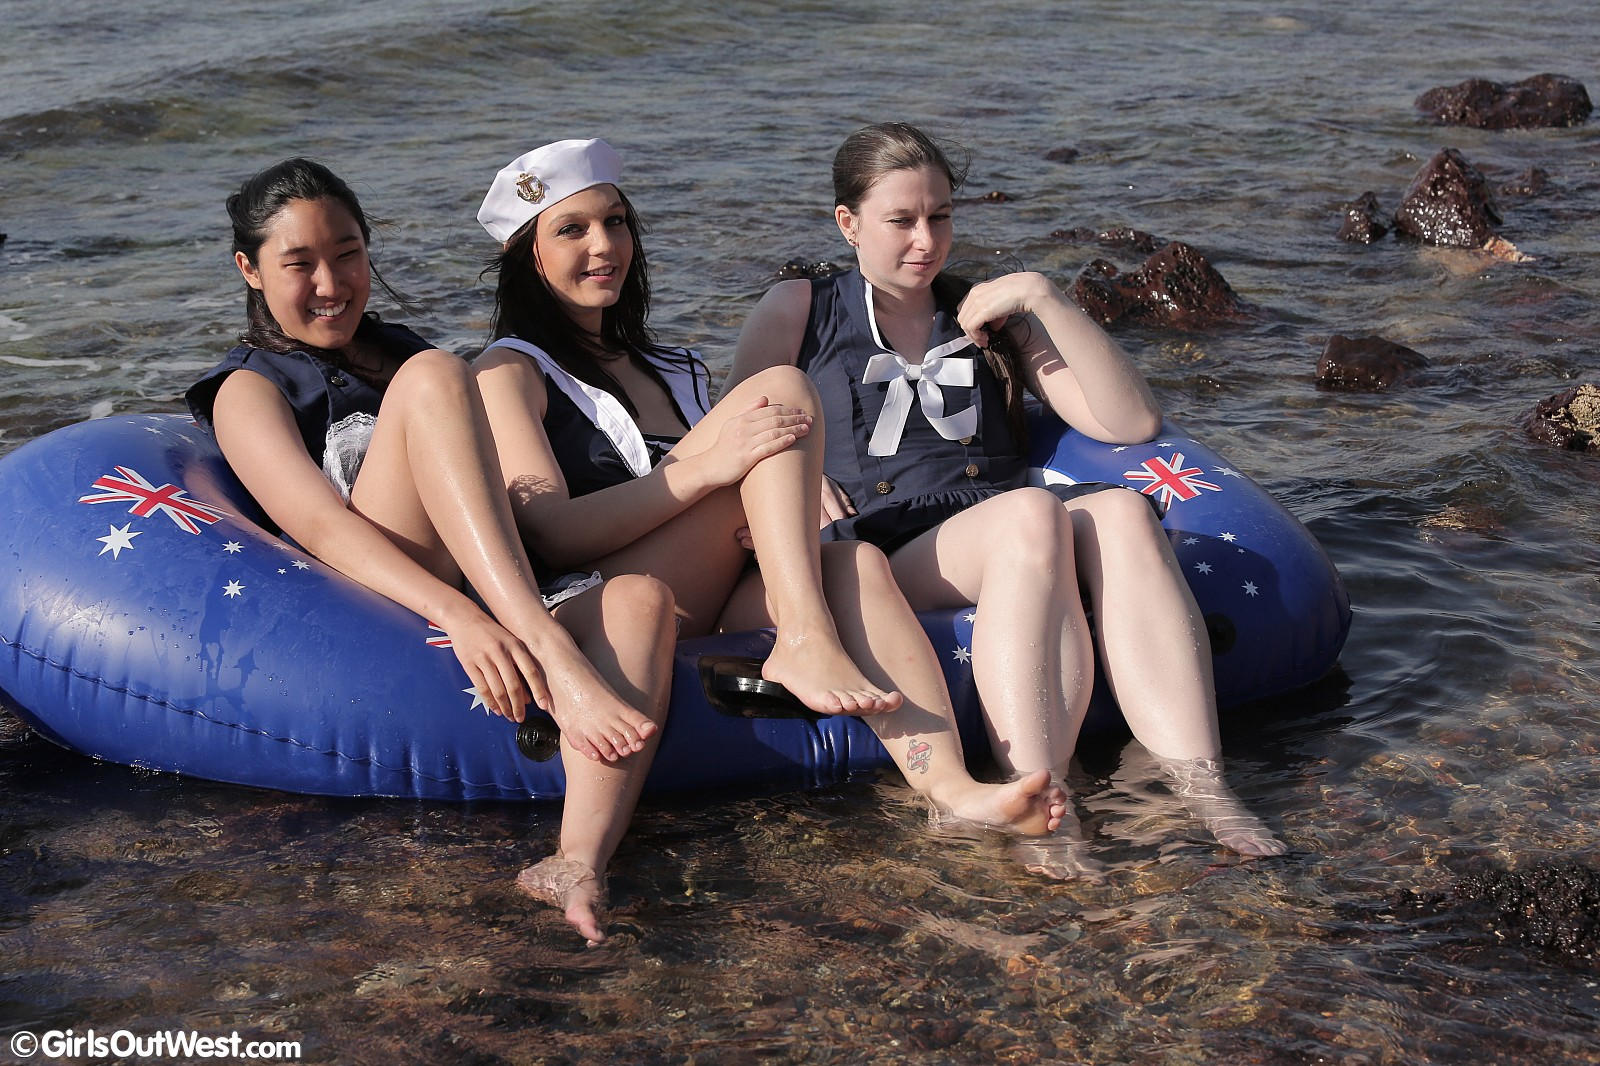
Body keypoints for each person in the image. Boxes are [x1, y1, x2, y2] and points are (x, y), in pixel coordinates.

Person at [471, 138, 1069, 873]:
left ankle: (950, 788)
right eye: (573, 230)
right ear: (526, 257)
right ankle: (804, 637)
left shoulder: (672, 367)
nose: (606, 246)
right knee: (781, 390)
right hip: (602, 592)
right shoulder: (510, 371)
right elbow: (553, 535)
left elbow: (734, 488)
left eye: (617, 223)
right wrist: (709, 472)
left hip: (715, 588)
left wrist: (766, 503)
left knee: (853, 561)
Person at [728, 122, 1286, 861]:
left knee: (1119, 511)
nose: (925, 240)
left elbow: (1131, 420)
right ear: (848, 223)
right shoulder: (802, 309)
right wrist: (811, 478)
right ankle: (1040, 799)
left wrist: (1043, 297)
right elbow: (734, 436)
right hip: (883, 544)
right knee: (1029, 514)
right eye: (901, 220)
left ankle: (1204, 786)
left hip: (993, 523)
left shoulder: (985, 316)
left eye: (941, 216)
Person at [187, 158, 678, 943]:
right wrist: (473, 616)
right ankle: (545, 640)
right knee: (438, 374)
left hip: (484, 577)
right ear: (248, 268)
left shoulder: (395, 350)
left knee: (641, 598)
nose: (331, 282)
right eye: (299, 263)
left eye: (348, 253)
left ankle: (576, 859)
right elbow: (319, 527)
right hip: (385, 593)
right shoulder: (250, 388)